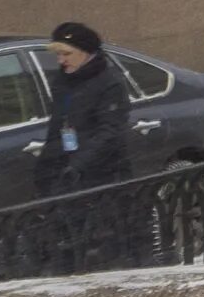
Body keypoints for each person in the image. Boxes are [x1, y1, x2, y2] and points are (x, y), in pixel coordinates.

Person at [34, 23, 132, 197]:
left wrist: (77, 166)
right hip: (64, 170)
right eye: (58, 54)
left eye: (67, 54)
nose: (61, 60)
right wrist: (47, 163)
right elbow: (58, 123)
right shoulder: (63, 80)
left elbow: (109, 132)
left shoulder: (110, 83)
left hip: (101, 175)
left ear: (86, 53)